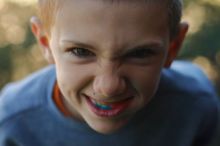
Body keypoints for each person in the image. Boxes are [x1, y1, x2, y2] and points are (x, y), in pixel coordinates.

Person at [0, 0, 219, 145]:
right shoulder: (14, 123)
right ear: (45, 43)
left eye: (140, 53)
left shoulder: (196, 108)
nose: (108, 86)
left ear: (173, 47)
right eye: (81, 51)